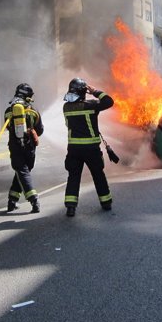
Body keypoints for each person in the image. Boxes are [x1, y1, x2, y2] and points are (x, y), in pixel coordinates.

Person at [62, 77, 114, 217]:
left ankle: (71, 207)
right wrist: (95, 91)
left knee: (73, 176)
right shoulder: (90, 105)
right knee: (98, 175)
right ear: (83, 92)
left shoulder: (66, 107)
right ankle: (106, 202)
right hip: (91, 149)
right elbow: (109, 101)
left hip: (73, 149)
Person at [4, 83, 44, 214]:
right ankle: (33, 199)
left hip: (15, 147)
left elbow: (7, 127)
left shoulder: (9, 111)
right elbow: (40, 130)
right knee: (24, 171)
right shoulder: (33, 111)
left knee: (21, 172)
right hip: (29, 147)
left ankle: (12, 200)